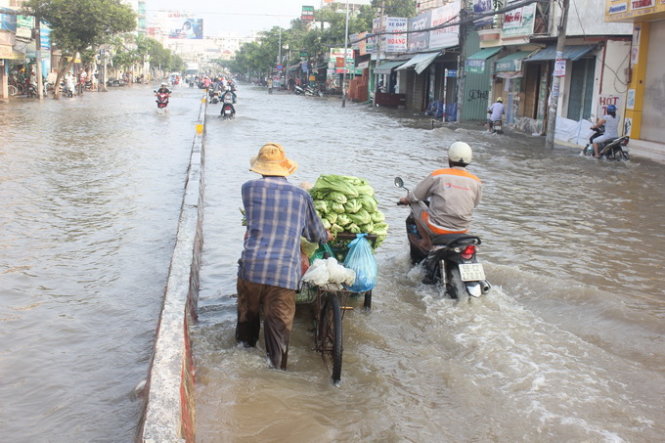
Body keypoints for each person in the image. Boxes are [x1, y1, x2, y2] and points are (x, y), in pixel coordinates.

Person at [236, 143, 332, 370]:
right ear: (284, 168)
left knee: (246, 323)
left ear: (259, 167)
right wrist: (326, 235)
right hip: (283, 273)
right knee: (278, 333)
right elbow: (314, 233)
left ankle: (242, 361)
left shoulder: (248, 188)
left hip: (251, 268)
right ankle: (275, 374)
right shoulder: (301, 195)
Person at [398, 141, 482, 245]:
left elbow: (416, 195)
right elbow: (475, 203)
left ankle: (425, 241)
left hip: (438, 228)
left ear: (449, 158)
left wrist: (406, 200)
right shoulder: (476, 181)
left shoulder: (438, 175)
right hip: (463, 230)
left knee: (415, 204)